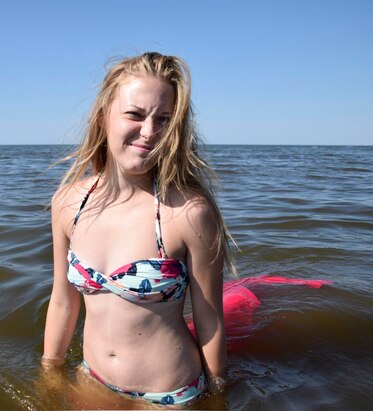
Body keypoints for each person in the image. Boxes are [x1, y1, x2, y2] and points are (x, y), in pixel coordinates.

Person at [42, 51, 233, 407]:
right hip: (92, 381)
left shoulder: (188, 213)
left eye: (163, 119)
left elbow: (210, 322)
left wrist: (219, 395)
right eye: (135, 114)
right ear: (103, 117)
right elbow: (62, 302)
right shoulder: (69, 203)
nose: (149, 133)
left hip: (169, 393)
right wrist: (49, 372)